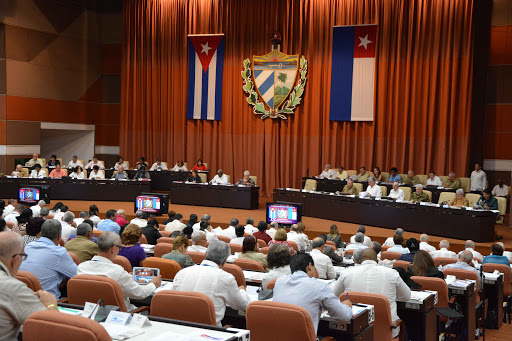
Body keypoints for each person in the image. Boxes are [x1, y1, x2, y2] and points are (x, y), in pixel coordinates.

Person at [333, 249, 410, 338]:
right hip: (385, 333)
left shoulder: (346, 273)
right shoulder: (392, 273)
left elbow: (334, 296)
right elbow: (406, 297)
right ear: (377, 261)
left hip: (355, 332)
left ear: (360, 261)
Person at [171, 241, 250, 325]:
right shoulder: (226, 278)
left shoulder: (182, 272)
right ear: (225, 260)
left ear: (205, 254)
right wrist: (242, 291)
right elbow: (241, 305)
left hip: (181, 326)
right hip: (211, 331)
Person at [77, 232, 161, 310]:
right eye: (120, 247)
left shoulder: (81, 267)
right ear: (113, 249)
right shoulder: (117, 271)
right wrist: (153, 284)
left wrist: (127, 277)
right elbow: (139, 293)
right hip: (120, 315)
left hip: (89, 311)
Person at [274, 253, 352, 335]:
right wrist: (347, 306)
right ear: (309, 266)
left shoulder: (279, 281)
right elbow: (344, 316)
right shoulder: (319, 286)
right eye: (315, 268)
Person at [0, 231, 58, 340]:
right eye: (23, 257)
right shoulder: (13, 288)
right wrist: (50, 305)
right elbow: (53, 329)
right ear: (16, 259)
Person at [19, 219, 77, 299]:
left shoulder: (28, 246)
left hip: (23, 299)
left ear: (41, 233)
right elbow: (76, 277)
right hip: (48, 303)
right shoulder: (59, 252)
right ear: (59, 236)